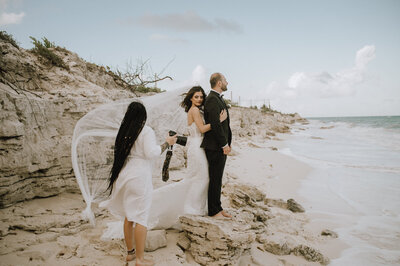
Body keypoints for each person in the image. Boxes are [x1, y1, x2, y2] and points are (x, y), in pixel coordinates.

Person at [100, 101, 177, 265]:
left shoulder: (124, 132)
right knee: (141, 218)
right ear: (143, 116)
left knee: (129, 216)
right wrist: (167, 143)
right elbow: (152, 153)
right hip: (139, 177)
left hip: (125, 175)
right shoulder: (145, 130)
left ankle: (130, 253)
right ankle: (140, 260)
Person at [146, 86, 227, 229]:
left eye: (201, 97)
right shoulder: (194, 110)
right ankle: (192, 210)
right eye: (196, 97)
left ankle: (196, 208)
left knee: (197, 179)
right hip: (196, 147)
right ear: (191, 98)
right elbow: (202, 129)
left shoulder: (196, 110)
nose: (200, 99)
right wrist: (218, 122)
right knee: (201, 179)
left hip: (197, 146)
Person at [201, 73, 232, 219]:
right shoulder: (212, 100)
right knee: (215, 179)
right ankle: (213, 211)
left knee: (217, 179)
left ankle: (218, 208)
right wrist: (224, 144)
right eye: (225, 80)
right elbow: (215, 125)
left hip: (218, 146)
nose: (227, 82)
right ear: (219, 83)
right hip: (215, 146)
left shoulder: (216, 98)